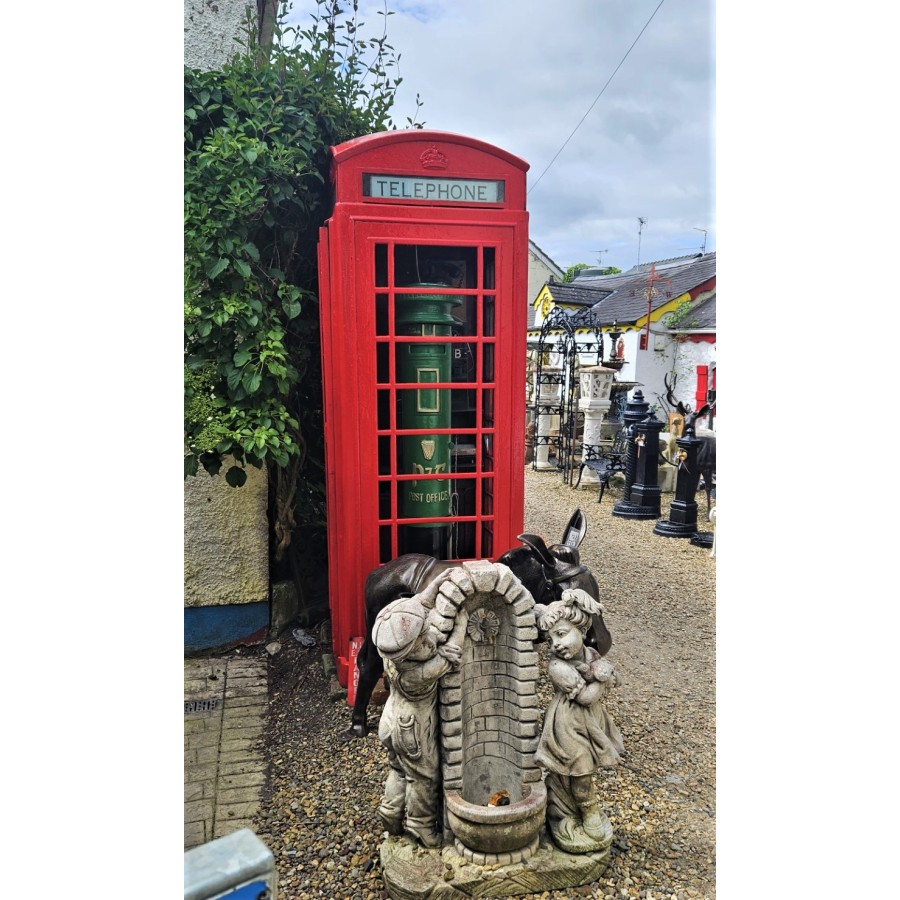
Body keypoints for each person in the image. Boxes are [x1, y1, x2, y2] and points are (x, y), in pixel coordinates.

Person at [372, 594, 468, 848]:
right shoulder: (415, 674)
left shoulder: (392, 654)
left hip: (390, 718)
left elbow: (415, 605)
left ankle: (390, 811)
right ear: (407, 650)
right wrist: (462, 621)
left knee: (398, 770)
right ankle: (421, 826)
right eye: (421, 641)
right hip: (411, 729)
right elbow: (453, 653)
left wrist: (437, 584)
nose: (429, 640)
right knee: (423, 777)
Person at [534, 588, 623, 852]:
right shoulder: (557, 667)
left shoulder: (591, 655)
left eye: (561, 634)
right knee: (581, 770)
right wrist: (602, 679)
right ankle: (589, 814)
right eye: (550, 640)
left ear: (581, 630)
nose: (556, 645)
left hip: (591, 723)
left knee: (584, 771)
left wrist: (608, 674)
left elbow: (616, 678)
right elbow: (585, 697)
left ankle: (567, 809)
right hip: (568, 725)